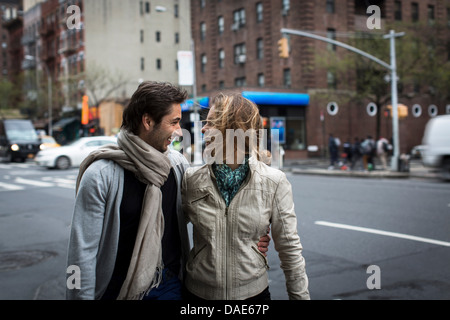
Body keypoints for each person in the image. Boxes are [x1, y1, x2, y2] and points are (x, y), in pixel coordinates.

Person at [65, 81, 273, 300]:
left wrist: (252, 235)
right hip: (118, 290)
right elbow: (81, 253)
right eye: (173, 123)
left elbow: (209, 212)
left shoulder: (177, 165)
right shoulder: (101, 174)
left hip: (171, 284)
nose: (179, 132)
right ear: (147, 121)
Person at [181, 93, 310, 300]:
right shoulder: (191, 179)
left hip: (253, 295)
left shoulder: (274, 182)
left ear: (235, 131)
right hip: (197, 295)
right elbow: (169, 234)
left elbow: (290, 250)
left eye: (212, 123)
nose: (203, 129)